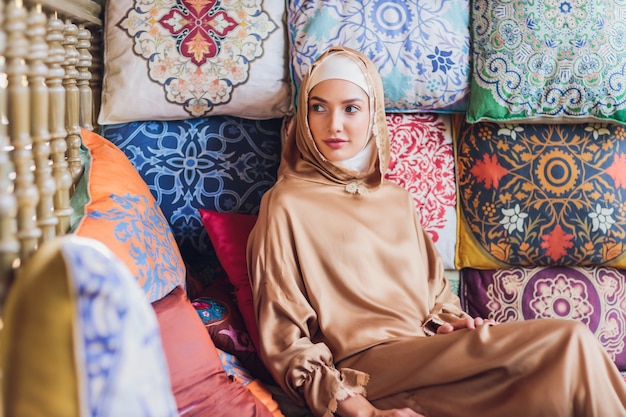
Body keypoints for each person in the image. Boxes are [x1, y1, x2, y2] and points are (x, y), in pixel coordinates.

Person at [246, 46, 626, 417]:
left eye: (351, 108)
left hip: (428, 357)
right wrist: (361, 410)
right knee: (568, 340)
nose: (334, 125)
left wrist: (454, 324)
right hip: (368, 370)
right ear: (304, 115)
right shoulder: (285, 204)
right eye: (319, 107)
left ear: (373, 114)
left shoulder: (396, 200)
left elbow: (435, 299)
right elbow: (284, 340)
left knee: (555, 379)